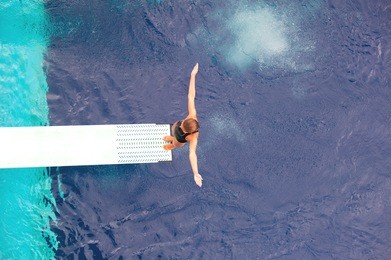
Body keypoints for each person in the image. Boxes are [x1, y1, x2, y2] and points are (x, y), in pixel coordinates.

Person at [163, 63, 203, 187]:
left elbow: (192, 154)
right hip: (179, 135)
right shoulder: (193, 126)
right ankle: (171, 140)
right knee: (175, 137)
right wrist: (193, 75)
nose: (181, 125)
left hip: (177, 133)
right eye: (183, 124)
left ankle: (171, 141)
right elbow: (191, 96)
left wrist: (195, 173)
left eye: (183, 126)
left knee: (175, 139)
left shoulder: (192, 130)